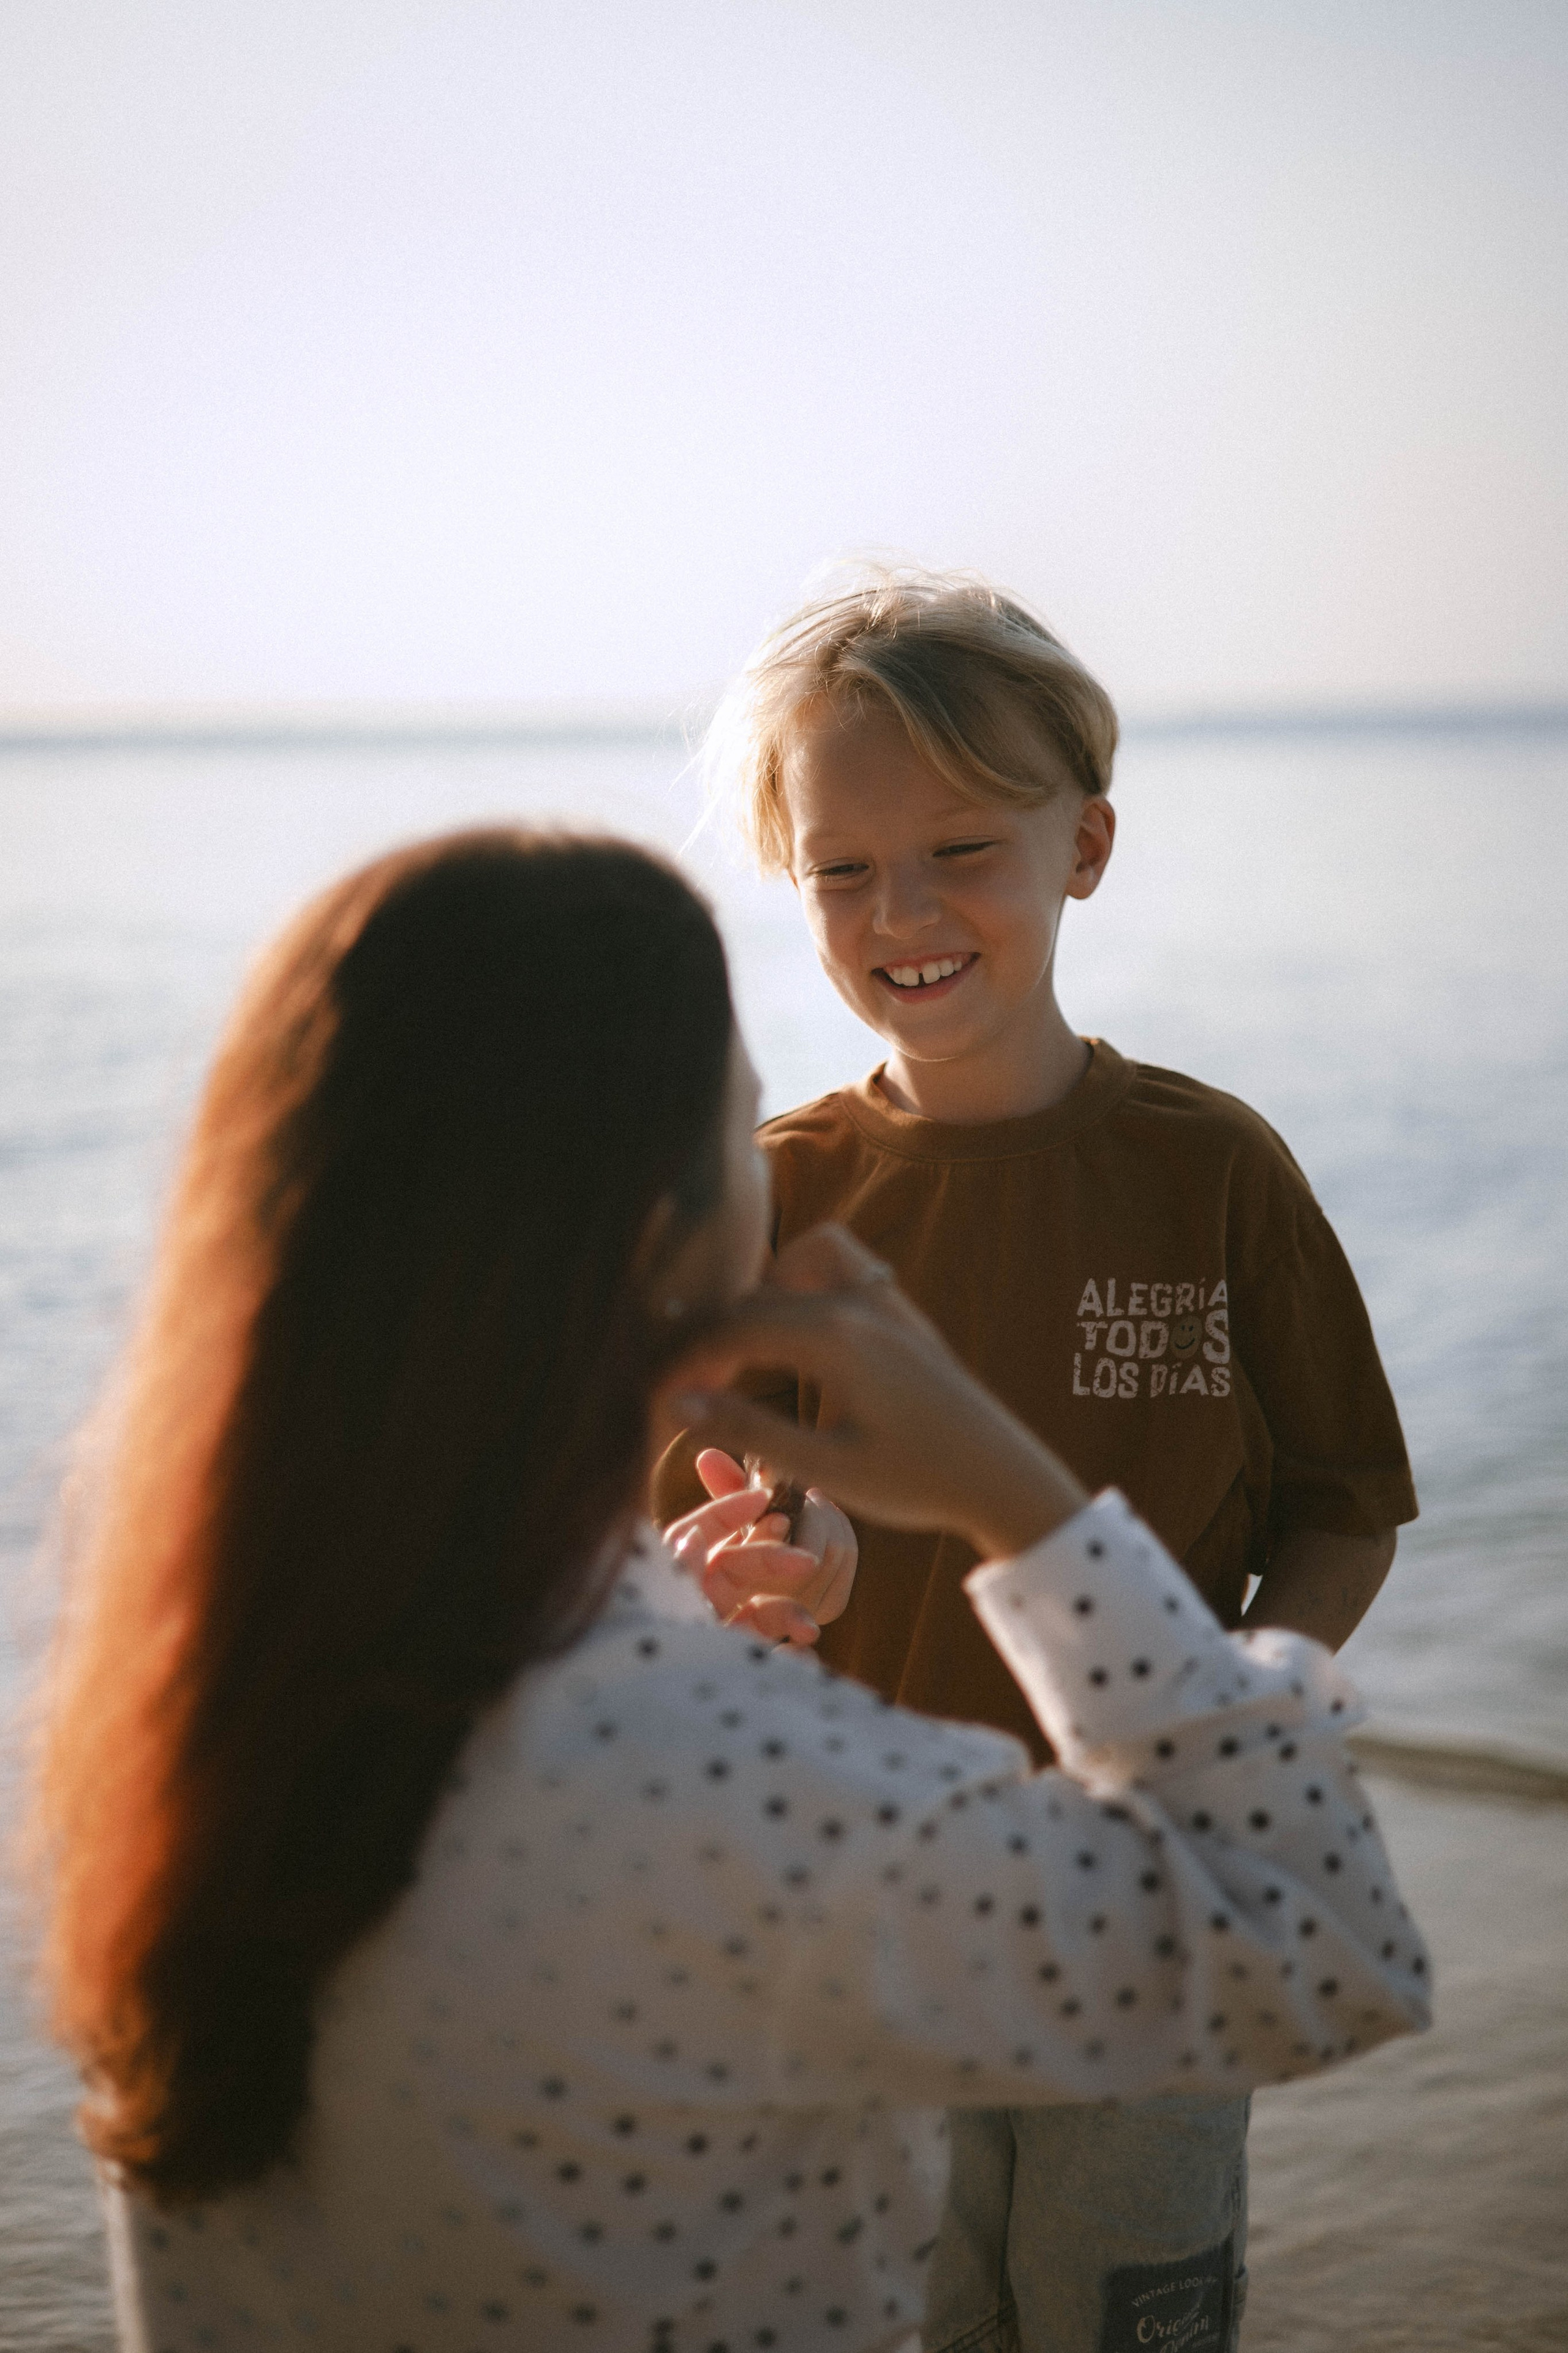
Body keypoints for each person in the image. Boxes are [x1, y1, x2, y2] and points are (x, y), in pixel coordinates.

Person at [32, 830, 1428, 2353]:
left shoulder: (195, 1728)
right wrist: (1011, 1496)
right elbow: (1319, 1936)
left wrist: (677, 1624)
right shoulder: (732, 1793)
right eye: (740, 1138)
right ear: (663, 1237)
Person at [655, 570, 1420, 2352]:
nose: (899, 911)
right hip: (853, 1913)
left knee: (1117, 2311)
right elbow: (657, 1543)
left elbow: (1343, 1503)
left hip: (1144, 1909)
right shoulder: (772, 1198)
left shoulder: (1211, 1169)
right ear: (796, 880)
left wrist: (1233, 1706)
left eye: (961, 851)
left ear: (1083, 845)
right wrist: (741, 1581)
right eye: (843, 867)